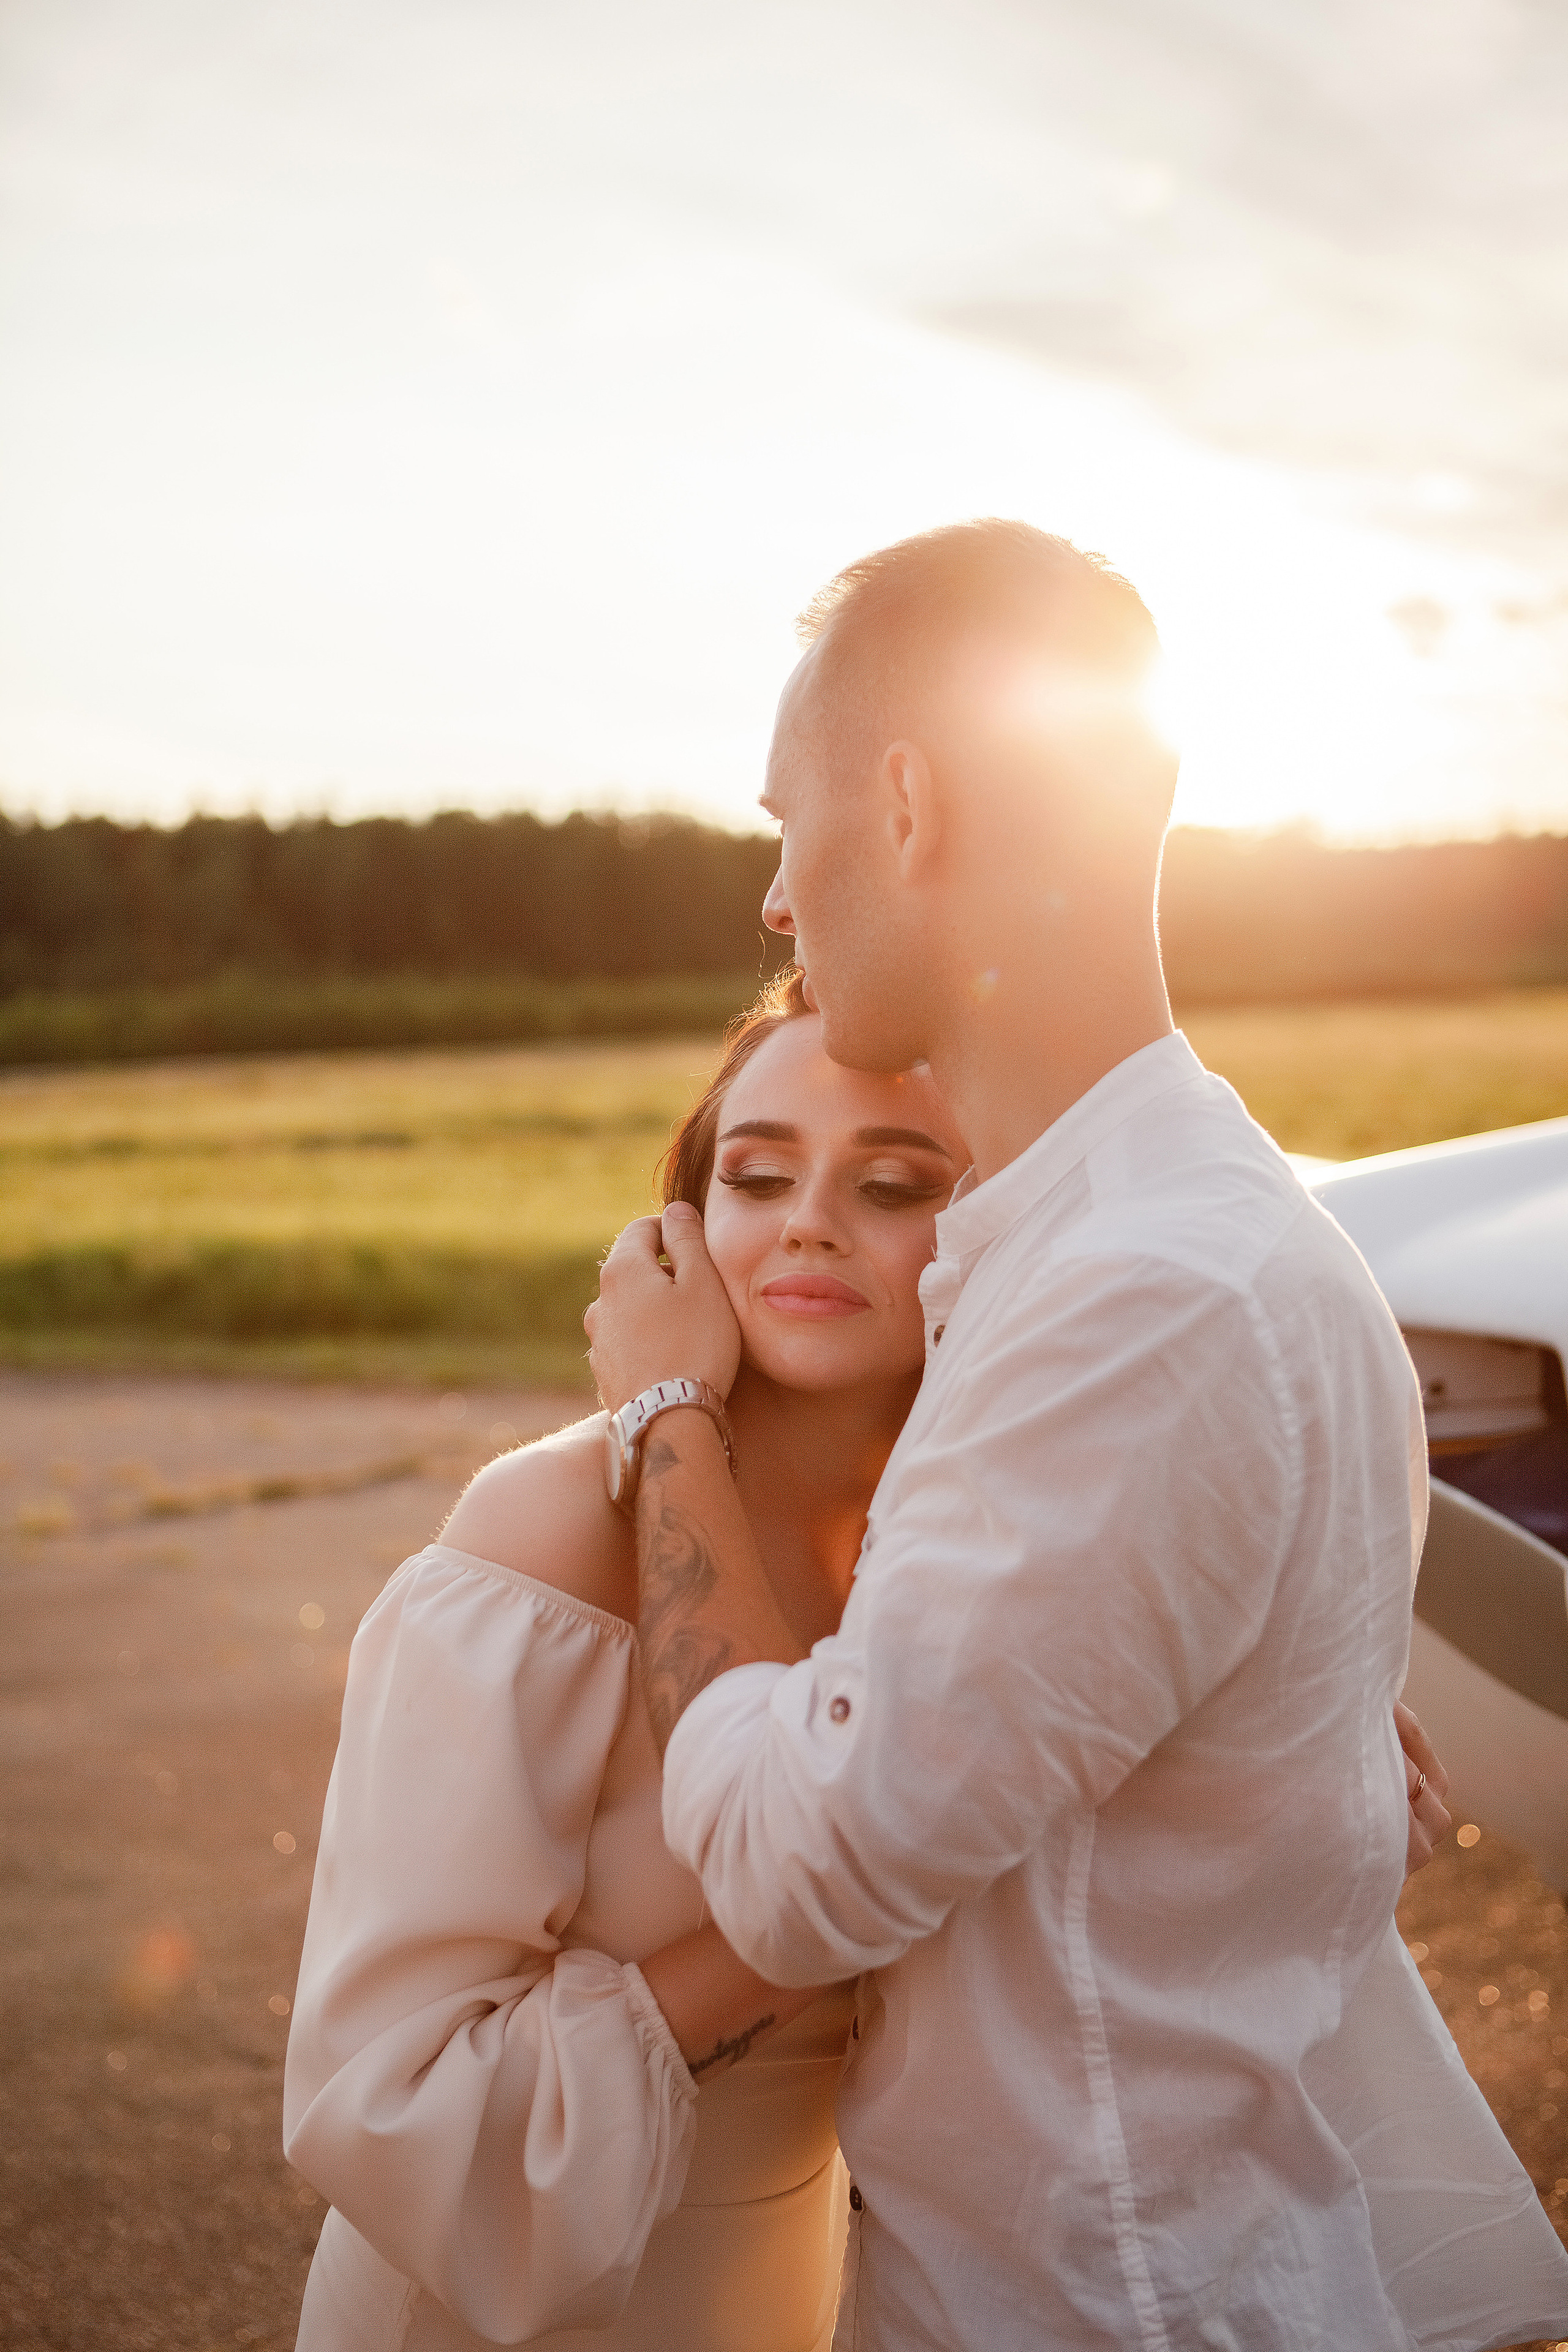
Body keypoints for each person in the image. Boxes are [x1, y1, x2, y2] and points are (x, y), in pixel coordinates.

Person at [587, 521, 1568, 2349]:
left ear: (902, 803)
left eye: (784, 826)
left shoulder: (1148, 1301)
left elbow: (805, 1865)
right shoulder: (1188, 1237)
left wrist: (662, 1417)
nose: (777, 906)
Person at [282, 971, 969, 2351]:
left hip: (791, 2303)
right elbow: (390, 2108)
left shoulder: (964, 1549)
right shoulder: (543, 1539)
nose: (807, 1224)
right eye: (757, 1175)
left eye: (892, 1187)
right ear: (683, 1224)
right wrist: (839, 1893)